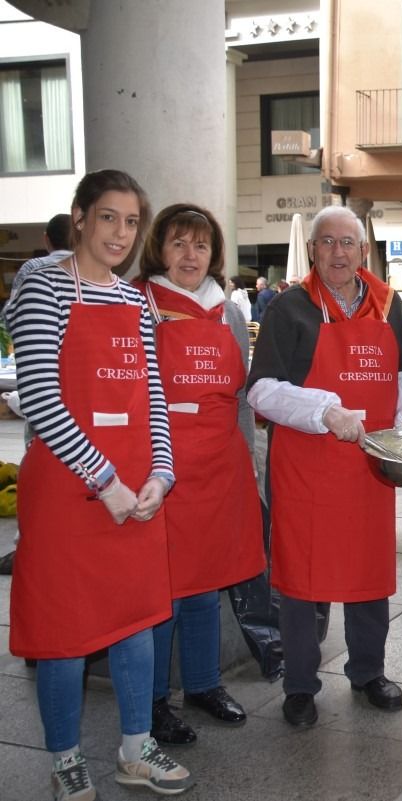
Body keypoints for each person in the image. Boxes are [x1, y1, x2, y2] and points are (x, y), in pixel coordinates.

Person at [7, 169, 193, 799]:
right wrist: (106, 480)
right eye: (108, 217)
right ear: (80, 217)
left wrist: (161, 473)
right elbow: (38, 395)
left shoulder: (136, 300)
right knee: (64, 632)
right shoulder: (44, 293)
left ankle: (136, 751)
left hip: (136, 489)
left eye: (132, 221)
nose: (121, 232)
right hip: (69, 490)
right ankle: (65, 758)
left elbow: (153, 397)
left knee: (136, 622)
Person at [247, 206, 402, 728]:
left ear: (363, 251)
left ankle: (369, 671)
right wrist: (325, 411)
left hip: (371, 466)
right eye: (327, 242)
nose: (338, 253)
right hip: (307, 468)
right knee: (303, 581)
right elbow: (261, 391)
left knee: (370, 574)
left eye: (347, 243)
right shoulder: (290, 308)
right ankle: (300, 685)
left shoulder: (388, 305)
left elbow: (400, 376)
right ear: (312, 250)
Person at [135, 204, 265, 746]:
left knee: (207, 584)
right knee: (165, 589)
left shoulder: (230, 312)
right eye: (179, 244)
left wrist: (250, 467)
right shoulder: (140, 304)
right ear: (159, 250)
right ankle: (154, 701)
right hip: (164, 465)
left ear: (215, 255)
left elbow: (239, 399)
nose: (191, 256)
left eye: (202, 246)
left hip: (221, 464)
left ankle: (204, 685)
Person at [0, 212, 73, 577]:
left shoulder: (33, 270)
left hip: (46, 394)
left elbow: (13, 319)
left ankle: (33, 550)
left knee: (42, 461)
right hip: (82, 398)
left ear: (47, 238)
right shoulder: (92, 275)